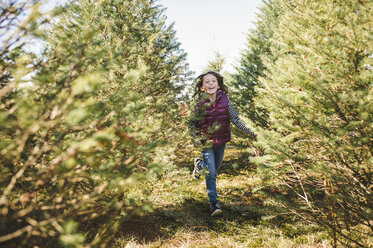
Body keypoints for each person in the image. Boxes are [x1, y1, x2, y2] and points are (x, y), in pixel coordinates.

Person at [188, 71, 256, 217]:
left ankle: (199, 165)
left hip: (221, 141)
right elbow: (191, 123)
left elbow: (236, 120)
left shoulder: (225, 102)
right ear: (202, 87)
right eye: (207, 82)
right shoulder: (199, 104)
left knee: (214, 169)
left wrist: (251, 132)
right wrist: (195, 138)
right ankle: (214, 205)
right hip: (206, 142)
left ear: (218, 85)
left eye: (214, 81)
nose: (211, 84)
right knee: (211, 174)